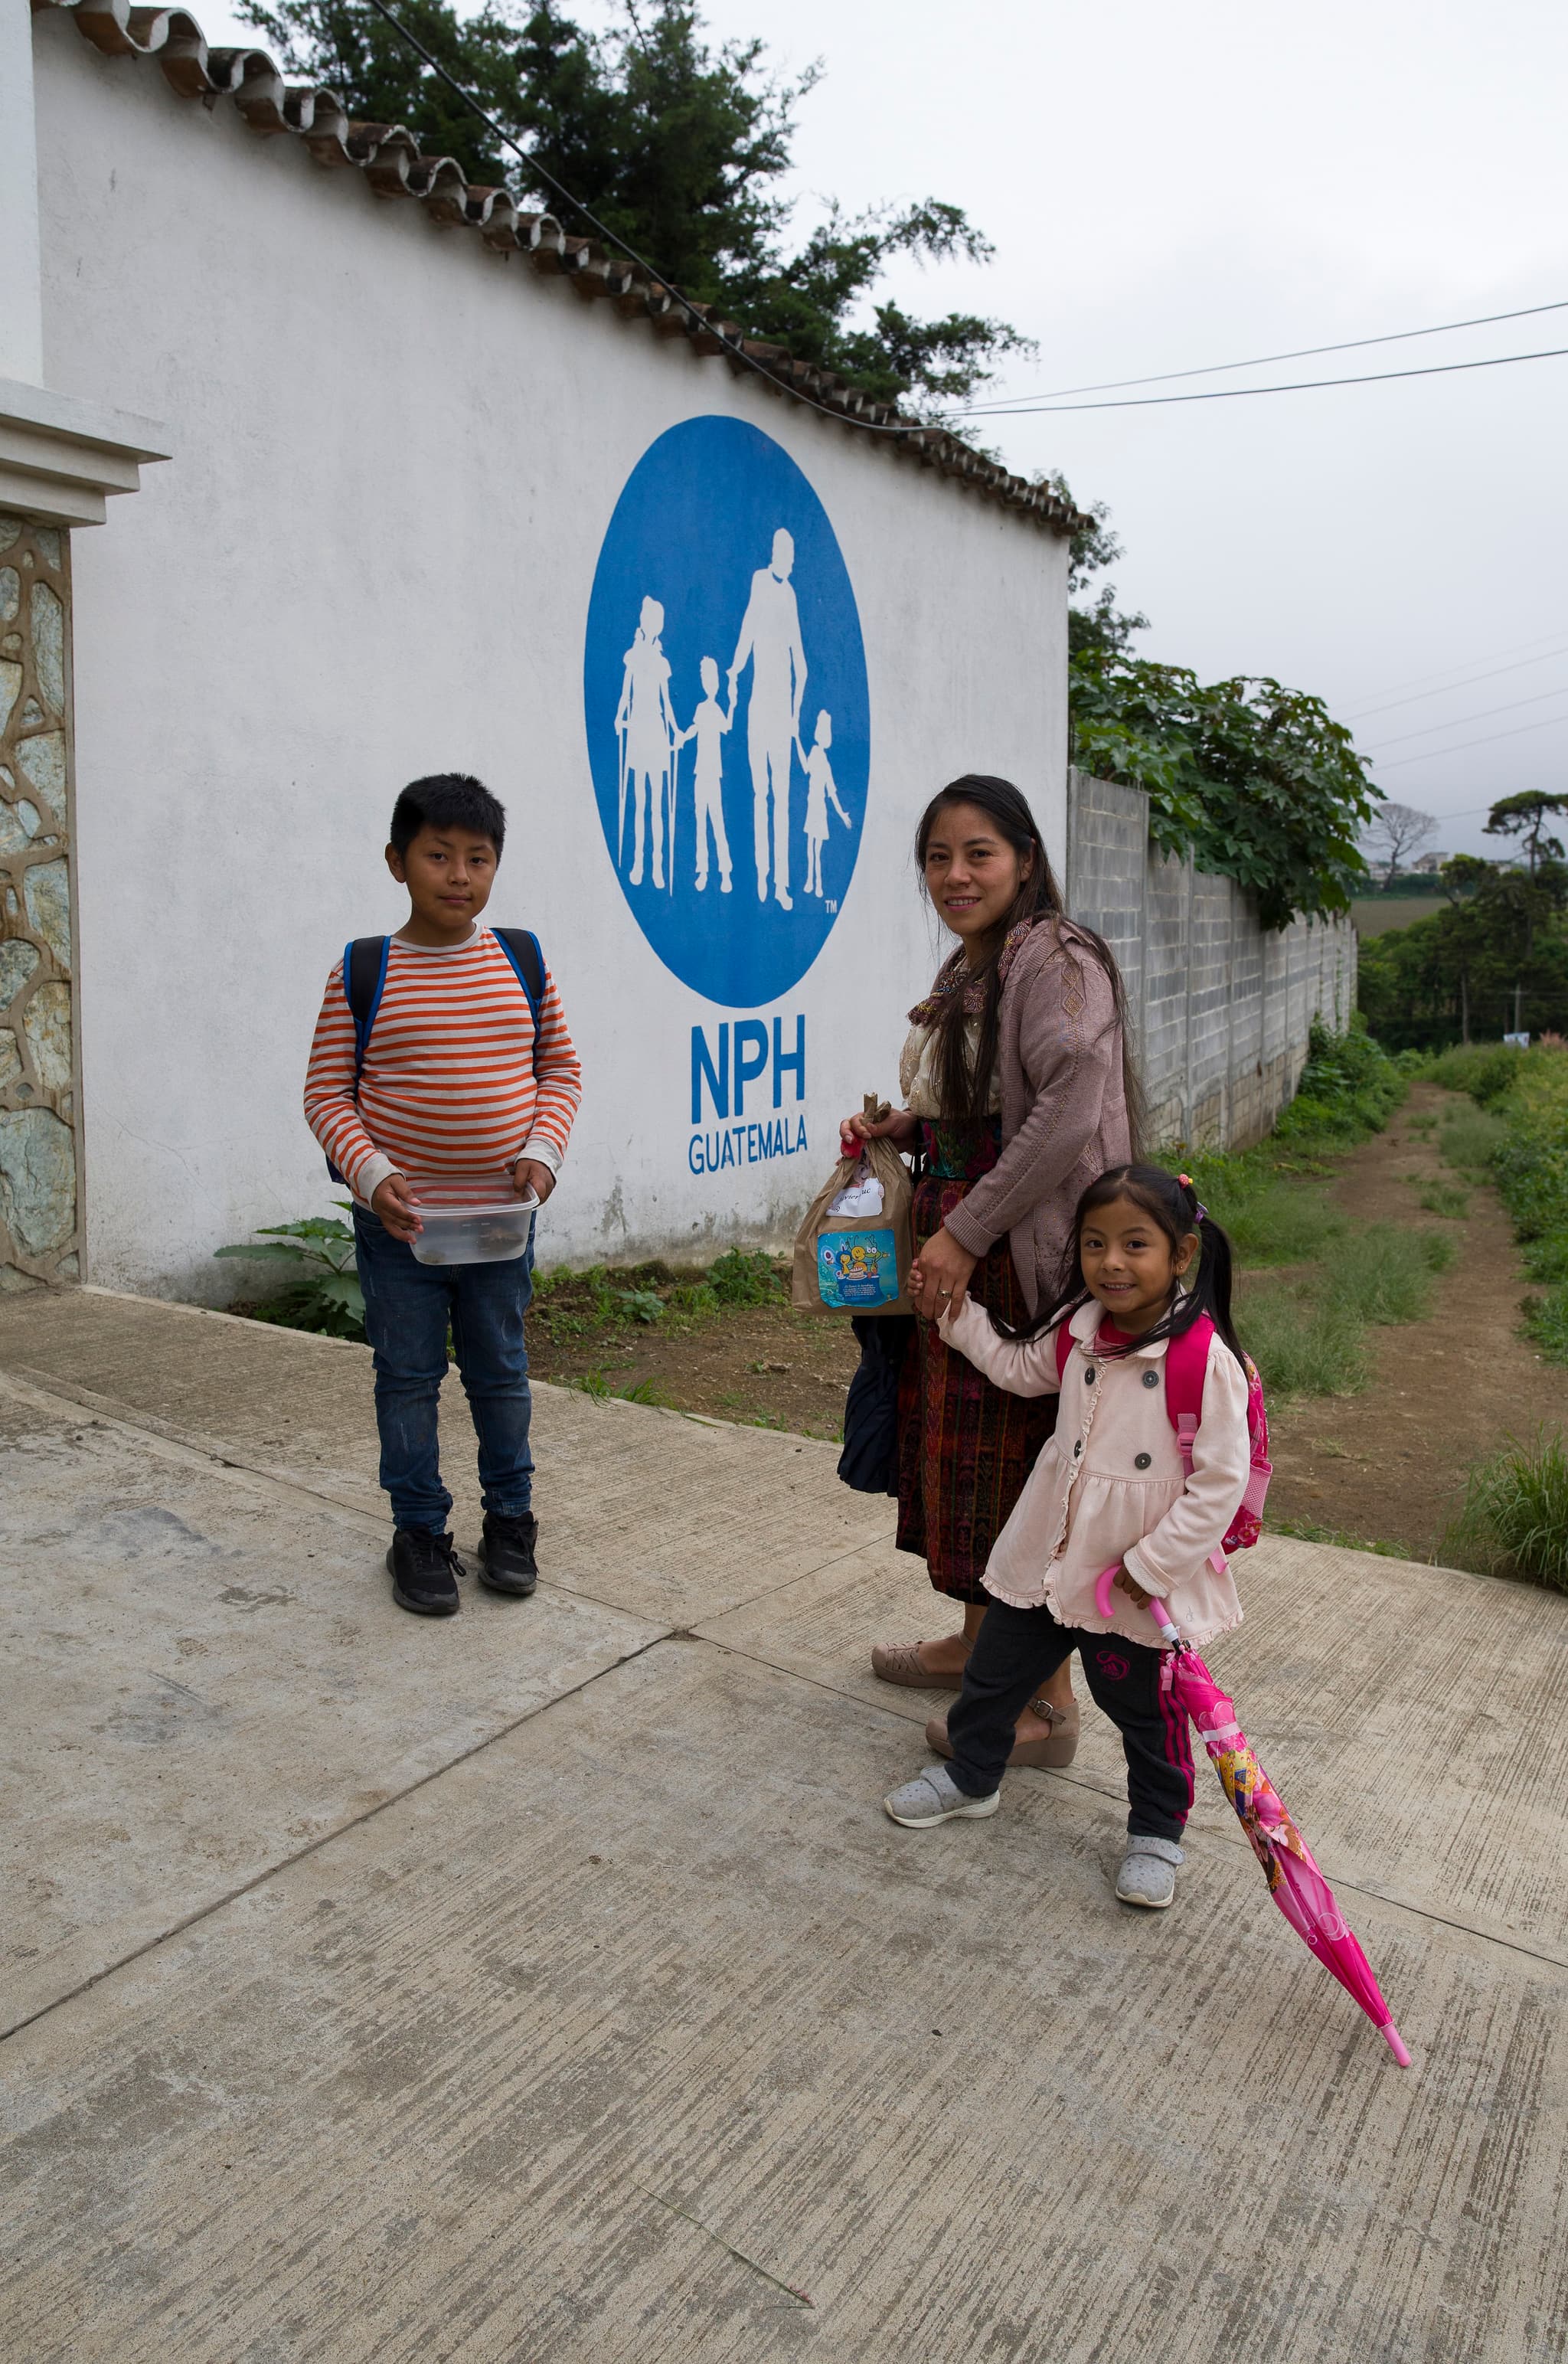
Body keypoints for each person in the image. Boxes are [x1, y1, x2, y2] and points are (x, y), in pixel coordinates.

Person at [841, 775, 1137, 1769]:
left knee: (1018, 1474)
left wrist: (964, 1229)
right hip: (967, 1253)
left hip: (1017, 1262)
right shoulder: (980, 963)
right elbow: (992, 1102)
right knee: (958, 1466)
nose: (956, 873)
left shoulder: (1055, 952)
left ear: (1025, 857)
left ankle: (1043, 1706)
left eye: (979, 852)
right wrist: (910, 1128)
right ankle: (977, 1647)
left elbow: (1072, 1094)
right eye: (937, 856)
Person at [883, 1168, 1254, 1912]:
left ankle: (1155, 1832)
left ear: (1181, 1255)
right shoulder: (1081, 1331)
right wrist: (956, 1318)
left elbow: (1219, 1481)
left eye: (1133, 1245)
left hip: (1127, 1578)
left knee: (1145, 1716)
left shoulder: (1199, 1359)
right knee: (992, 1673)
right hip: (1051, 1551)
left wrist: (1153, 1565)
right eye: (1094, 1244)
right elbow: (1019, 1367)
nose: (1110, 1262)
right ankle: (970, 1775)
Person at [303, 772, 583, 1618]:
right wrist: (375, 1176)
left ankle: (511, 1521)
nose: (458, 875)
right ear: (397, 862)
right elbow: (326, 1095)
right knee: (408, 1377)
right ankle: (419, 1531)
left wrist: (542, 1151)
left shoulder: (520, 961)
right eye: (437, 855)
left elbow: (558, 1072)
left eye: (478, 858)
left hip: (499, 1228)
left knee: (501, 1374)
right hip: (401, 1231)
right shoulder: (365, 969)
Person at [727, 526, 807, 911]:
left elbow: (801, 662)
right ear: (776, 552)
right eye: (785, 552)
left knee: (782, 799)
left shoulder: (790, 594)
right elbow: (747, 628)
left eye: (791, 554)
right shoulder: (761, 582)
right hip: (759, 706)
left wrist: (794, 715)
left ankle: (780, 884)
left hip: (778, 711)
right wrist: (734, 670)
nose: (789, 560)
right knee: (762, 795)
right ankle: (762, 878)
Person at [616, 597, 678, 890]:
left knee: (656, 805)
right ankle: (639, 863)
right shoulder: (632, 656)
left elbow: (666, 703)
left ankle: (657, 865)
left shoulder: (661, 662)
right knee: (640, 803)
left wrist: (675, 731)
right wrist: (619, 717)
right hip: (638, 730)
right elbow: (626, 694)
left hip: (656, 731)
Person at [677, 656, 734, 894]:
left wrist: (732, 703)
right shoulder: (701, 708)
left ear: (716, 683)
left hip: (713, 774)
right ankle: (703, 870)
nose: (708, 683)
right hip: (700, 772)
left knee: (717, 821)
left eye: (711, 678)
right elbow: (694, 729)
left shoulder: (717, 709)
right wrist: (682, 737)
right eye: (704, 678)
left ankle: (725, 872)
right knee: (701, 821)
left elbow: (727, 727)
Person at [799, 708, 851, 898]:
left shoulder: (823, 760)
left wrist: (842, 813)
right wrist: (796, 740)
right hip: (813, 806)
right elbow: (806, 768)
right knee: (811, 847)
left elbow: (832, 792)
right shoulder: (815, 753)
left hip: (818, 807)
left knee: (815, 848)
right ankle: (811, 882)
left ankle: (816, 883)